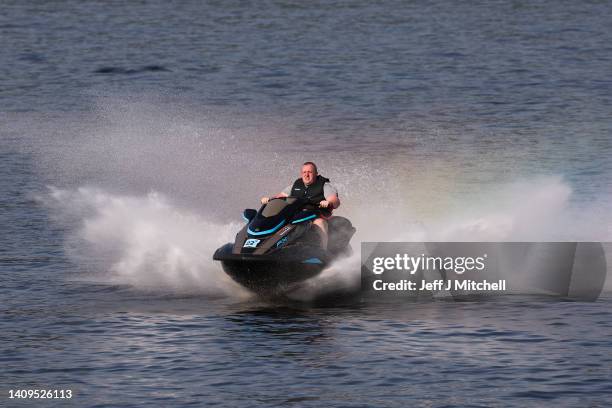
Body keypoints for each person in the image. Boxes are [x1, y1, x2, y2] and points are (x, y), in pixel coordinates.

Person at [260, 162, 340, 250]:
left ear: (316, 173)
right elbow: (280, 197)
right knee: (277, 220)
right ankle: (266, 248)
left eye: (310, 172)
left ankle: (323, 251)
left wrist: (328, 202)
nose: (306, 175)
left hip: (316, 215)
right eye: (304, 172)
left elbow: (335, 200)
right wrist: (269, 199)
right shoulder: (294, 186)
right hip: (297, 216)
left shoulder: (325, 186)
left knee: (320, 223)